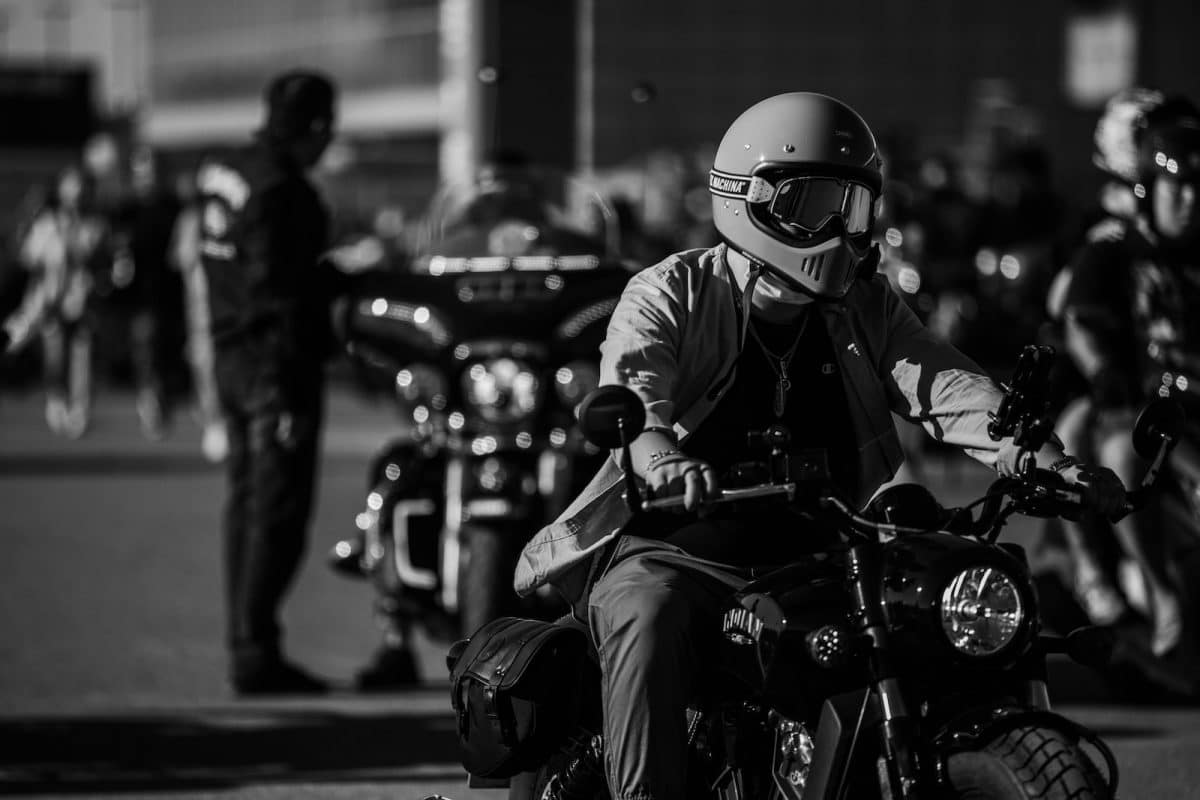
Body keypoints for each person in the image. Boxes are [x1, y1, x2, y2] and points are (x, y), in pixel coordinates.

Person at [512, 92, 1128, 800]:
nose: (839, 230)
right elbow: (636, 385)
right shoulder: (672, 291)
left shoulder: (866, 304)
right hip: (684, 549)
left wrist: (1048, 460)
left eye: (854, 207)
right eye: (814, 207)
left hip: (828, 548)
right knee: (646, 614)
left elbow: (947, 385)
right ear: (752, 201)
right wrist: (661, 457)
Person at [199, 69, 343, 695]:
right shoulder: (286, 191)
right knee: (277, 512)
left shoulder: (225, 170)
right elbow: (280, 291)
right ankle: (254, 652)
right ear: (315, 126)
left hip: (229, 352)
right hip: (272, 365)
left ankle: (250, 641)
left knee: (245, 503)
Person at [1059, 93, 1200, 658]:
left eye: (1199, 188)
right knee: (1104, 447)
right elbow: (1078, 317)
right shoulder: (1112, 246)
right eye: (1178, 187)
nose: (1191, 201)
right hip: (1152, 411)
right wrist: (1105, 370)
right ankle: (1155, 591)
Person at [3, 166, 110, 438]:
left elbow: (103, 263)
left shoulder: (95, 225)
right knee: (52, 351)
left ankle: (79, 410)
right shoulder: (47, 223)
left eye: (80, 188)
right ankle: (56, 400)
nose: (76, 194)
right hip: (46, 303)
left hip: (81, 301)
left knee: (82, 353)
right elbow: (28, 259)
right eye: (71, 187)